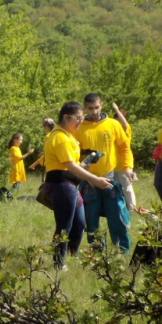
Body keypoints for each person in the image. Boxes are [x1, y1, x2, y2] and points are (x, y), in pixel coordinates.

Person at [41, 102, 112, 270]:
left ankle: (70, 256)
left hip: (70, 185)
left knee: (79, 223)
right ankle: (59, 263)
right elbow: (70, 167)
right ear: (66, 117)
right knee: (64, 225)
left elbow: (72, 165)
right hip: (61, 186)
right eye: (78, 118)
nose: (81, 121)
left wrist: (84, 165)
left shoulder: (69, 136)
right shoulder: (60, 137)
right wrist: (96, 179)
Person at [74, 93, 135, 253]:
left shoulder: (113, 124)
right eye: (90, 108)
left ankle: (123, 251)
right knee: (91, 220)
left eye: (96, 107)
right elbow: (73, 152)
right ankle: (97, 253)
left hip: (109, 179)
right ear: (84, 108)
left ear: (102, 105)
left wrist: (128, 168)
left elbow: (124, 147)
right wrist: (80, 166)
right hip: (88, 181)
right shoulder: (79, 128)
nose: (94, 111)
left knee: (116, 216)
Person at [111, 104, 138, 212]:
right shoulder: (112, 130)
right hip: (113, 164)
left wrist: (116, 110)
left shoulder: (126, 129)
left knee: (126, 188)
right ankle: (119, 208)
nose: (120, 121)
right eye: (118, 118)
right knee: (115, 188)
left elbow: (125, 124)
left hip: (124, 163)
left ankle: (132, 209)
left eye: (122, 117)